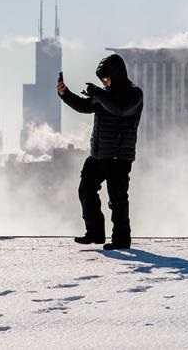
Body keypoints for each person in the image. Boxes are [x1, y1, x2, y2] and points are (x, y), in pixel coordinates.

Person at [57, 53, 143, 251]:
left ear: (117, 74)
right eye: (102, 80)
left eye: (106, 78)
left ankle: (121, 240)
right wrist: (65, 94)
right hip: (98, 155)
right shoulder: (104, 94)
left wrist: (98, 93)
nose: (105, 82)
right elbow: (84, 106)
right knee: (86, 190)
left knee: (117, 199)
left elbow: (121, 109)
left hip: (119, 157)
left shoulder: (134, 94)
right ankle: (94, 233)